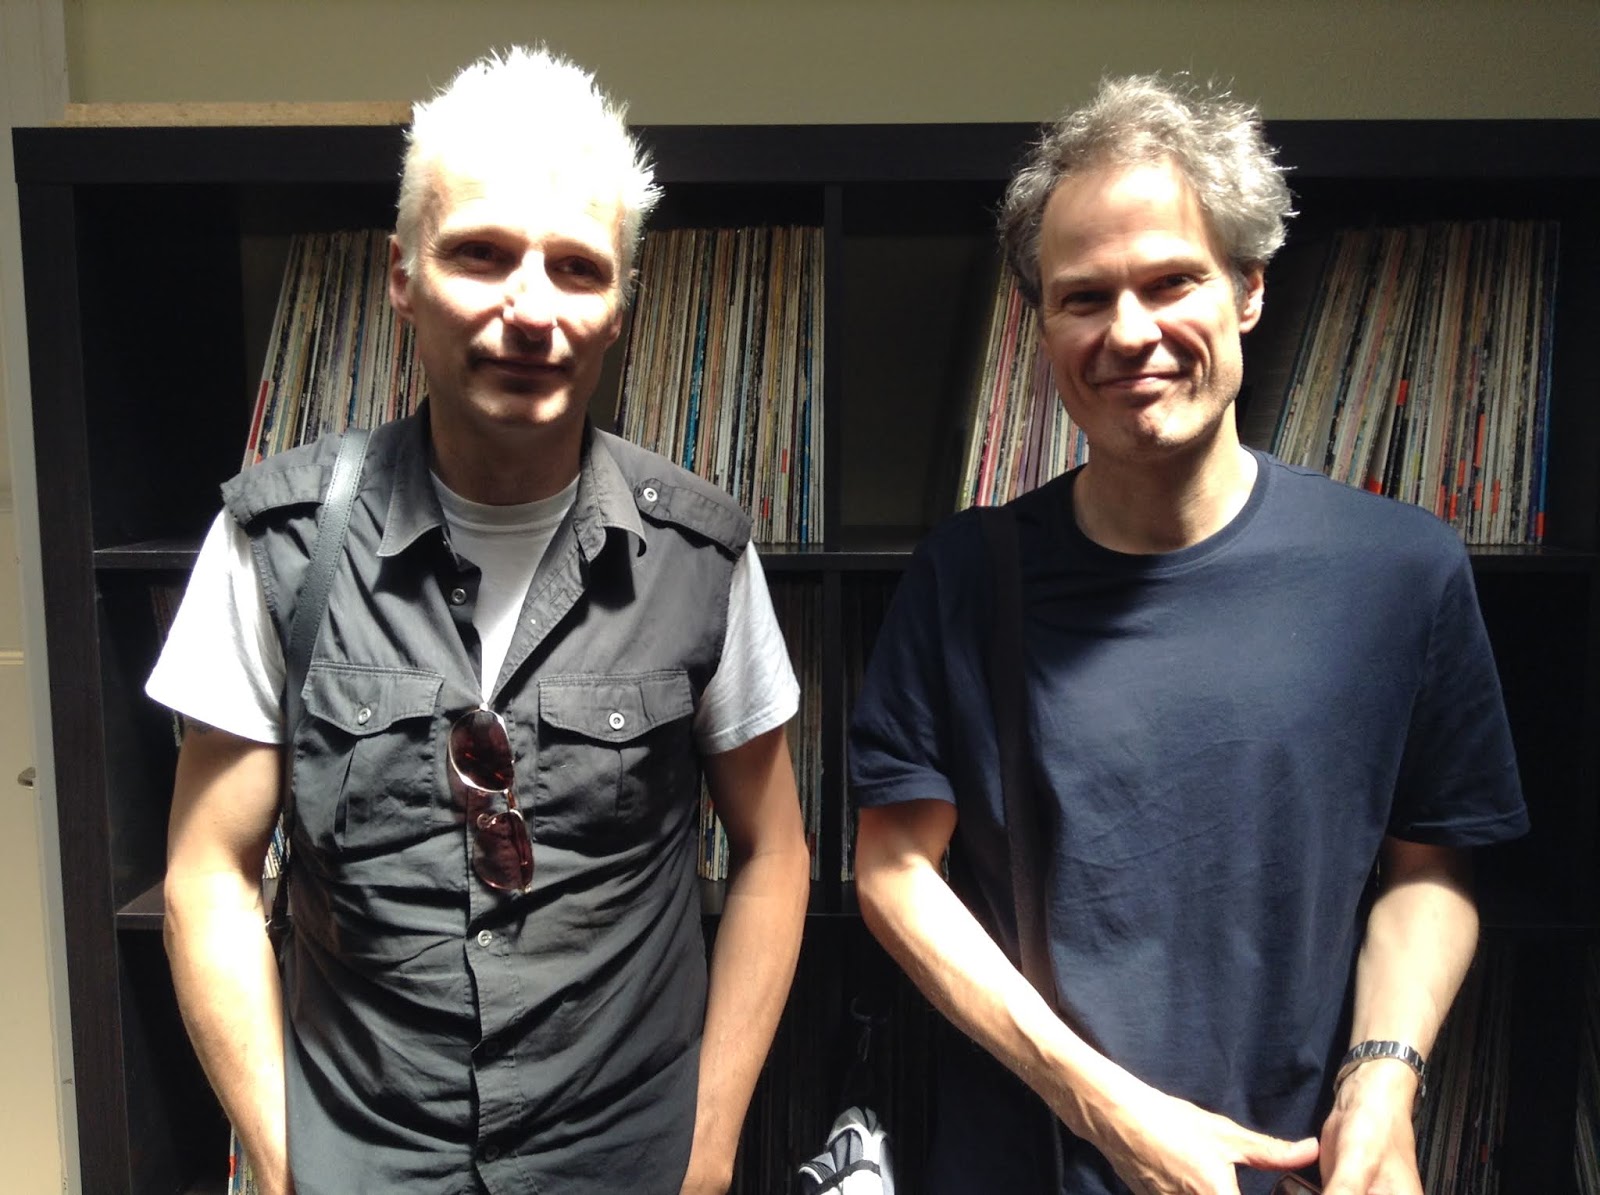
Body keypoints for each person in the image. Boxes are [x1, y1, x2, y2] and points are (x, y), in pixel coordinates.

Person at [848, 74, 1528, 1195]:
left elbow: (1430, 867)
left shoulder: (1401, 569)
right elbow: (894, 869)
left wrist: (1383, 1078)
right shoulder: (965, 574)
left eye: (1171, 281)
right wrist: (1111, 1111)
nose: (1130, 333)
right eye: (1083, 297)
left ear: (1248, 289)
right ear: (1042, 325)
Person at [150, 45, 811, 1195]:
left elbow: (774, 852)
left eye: (576, 268)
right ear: (402, 276)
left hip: (629, 1163)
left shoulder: (701, 555)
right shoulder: (276, 545)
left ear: (620, 309)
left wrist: (708, 1150)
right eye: (480, 255)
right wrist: (285, 1160)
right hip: (363, 1159)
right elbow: (207, 872)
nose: (530, 310)